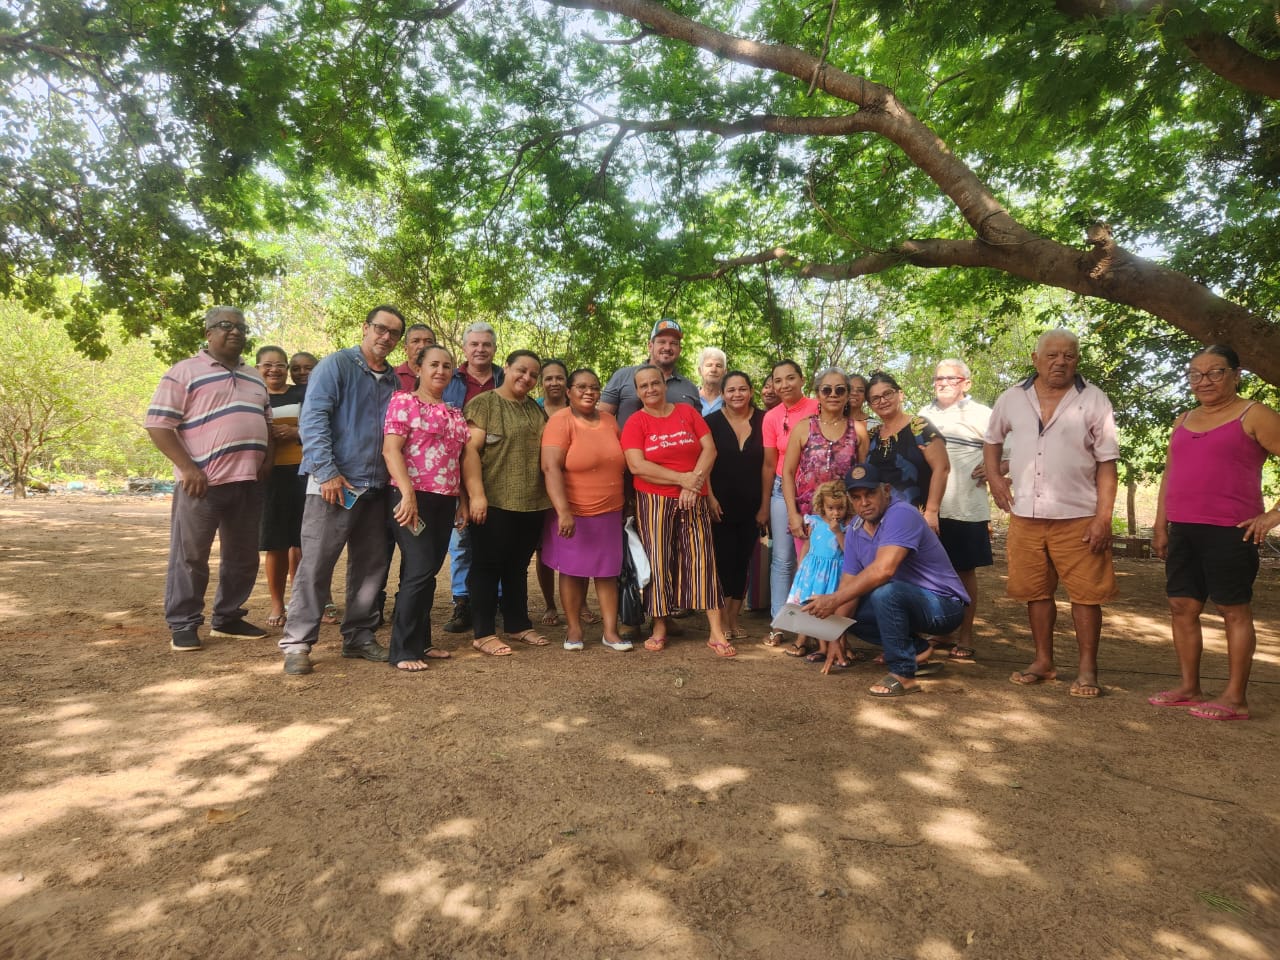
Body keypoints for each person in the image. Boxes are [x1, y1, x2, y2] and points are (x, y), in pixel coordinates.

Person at [984, 328, 1118, 699]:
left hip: (1079, 516)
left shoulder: (1094, 399)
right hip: (1026, 515)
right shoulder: (1012, 397)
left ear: (1077, 360)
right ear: (1035, 359)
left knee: (1086, 595)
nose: (1060, 362)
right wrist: (995, 477)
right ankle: (1043, 661)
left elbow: (1108, 462)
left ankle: (1087, 670)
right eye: (1052, 355)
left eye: (1069, 356)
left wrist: (1103, 517)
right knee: (1036, 591)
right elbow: (992, 440)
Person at [1148, 344, 1280, 721]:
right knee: (1182, 606)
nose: (1203, 381)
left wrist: (1274, 515)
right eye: (1195, 374)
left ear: (1236, 375)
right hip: (1183, 529)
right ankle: (1189, 687)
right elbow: (1170, 475)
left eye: (1215, 372)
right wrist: (1161, 525)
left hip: (1231, 530)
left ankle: (1235, 698)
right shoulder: (1183, 419)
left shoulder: (1254, 415)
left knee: (1232, 610)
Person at [277, 305, 404, 675]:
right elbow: (313, 418)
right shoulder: (336, 366)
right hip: (332, 485)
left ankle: (359, 636)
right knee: (316, 565)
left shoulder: (394, 380)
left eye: (394, 333)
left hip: (375, 488)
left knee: (370, 567)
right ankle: (298, 643)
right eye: (380, 328)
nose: (386, 337)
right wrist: (327, 471)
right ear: (365, 327)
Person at [145, 306, 273, 651]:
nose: (235, 332)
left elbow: (267, 423)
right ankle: (184, 623)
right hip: (203, 484)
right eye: (226, 326)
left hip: (248, 483)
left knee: (243, 556)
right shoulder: (184, 372)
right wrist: (188, 468)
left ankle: (228, 618)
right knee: (191, 555)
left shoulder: (254, 376)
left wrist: (267, 460)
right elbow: (158, 425)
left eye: (241, 327)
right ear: (208, 333)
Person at [804, 464, 969, 696]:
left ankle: (903, 674)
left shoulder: (902, 513)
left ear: (887, 490)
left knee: (884, 593)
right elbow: (849, 584)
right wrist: (835, 635)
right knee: (847, 609)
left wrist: (833, 600)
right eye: (856, 497)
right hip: (902, 599)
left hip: (943, 606)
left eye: (870, 493)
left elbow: (884, 570)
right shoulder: (854, 530)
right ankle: (915, 650)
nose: (864, 502)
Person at [621, 365, 736, 657]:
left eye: (655, 383)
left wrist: (693, 483)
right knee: (658, 559)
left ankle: (716, 631)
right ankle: (659, 626)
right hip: (654, 499)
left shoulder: (687, 413)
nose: (650, 389)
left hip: (693, 497)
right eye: (644, 386)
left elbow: (709, 450)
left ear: (664, 385)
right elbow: (637, 465)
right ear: (637, 391)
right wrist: (681, 479)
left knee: (702, 558)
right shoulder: (636, 422)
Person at [382, 344, 477, 672]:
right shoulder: (404, 402)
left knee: (425, 572)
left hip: (445, 500)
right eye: (434, 364)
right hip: (411, 497)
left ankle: (421, 641)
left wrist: (462, 501)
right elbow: (391, 450)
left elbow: (456, 459)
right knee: (420, 569)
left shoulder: (454, 413)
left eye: (447, 366)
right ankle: (402, 650)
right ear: (418, 368)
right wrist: (407, 494)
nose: (440, 371)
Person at [463, 350, 552, 656]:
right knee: (486, 566)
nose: (527, 378)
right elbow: (470, 452)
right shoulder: (484, 404)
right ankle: (483, 632)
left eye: (533, 375)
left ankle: (517, 624)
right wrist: (476, 495)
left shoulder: (535, 410)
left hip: (532, 502)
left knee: (517, 566)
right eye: (521, 370)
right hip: (493, 500)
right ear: (506, 368)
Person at [541, 368, 632, 652]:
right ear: (569, 392)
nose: (589, 392)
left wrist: (628, 502)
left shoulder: (608, 420)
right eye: (582, 387)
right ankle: (574, 629)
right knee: (572, 571)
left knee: (607, 572)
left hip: (610, 511)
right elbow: (550, 468)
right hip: (573, 512)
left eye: (594, 387)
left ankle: (610, 632)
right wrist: (563, 511)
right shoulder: (560, 421)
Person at [780, 367, 869, 656]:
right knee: (808, 574)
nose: (833, 395)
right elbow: (788, 473)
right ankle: (803, 637)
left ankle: (837, 640)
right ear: (817, 393)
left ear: (848, 394)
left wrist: (859, 518)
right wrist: (793, 514)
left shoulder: (858, 431)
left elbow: (863, 478)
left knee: (842, 578)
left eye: (840, 389)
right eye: (826, 389)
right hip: (809, 518)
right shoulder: (804, 427)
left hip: (846, 521)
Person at [918, 359, 994, 660]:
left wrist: (998, 466)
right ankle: (941, 631)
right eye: (939, 378)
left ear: (967, 383)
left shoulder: (983, 414)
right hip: (928, 509)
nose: (944, 383)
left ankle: (965, 635)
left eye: (952, 378)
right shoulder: (923, 415)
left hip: (965, 506)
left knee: (963, 571)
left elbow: (1011, 448)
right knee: (931, 571)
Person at [441, 322, 504, 634]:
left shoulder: (505, 378)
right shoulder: (449, 379)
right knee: (462, 537)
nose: (480, 349)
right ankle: (463, 601)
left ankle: (497, 600)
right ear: (464, 348)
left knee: (498, 537)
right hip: (456, 468)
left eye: (486, 344)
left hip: (499, 467)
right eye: (474, 344)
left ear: (494, 348)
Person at [760, 359, 819, 644]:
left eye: (790, 378)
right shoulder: (771, 417)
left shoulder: (818, 407)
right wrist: (764, 503)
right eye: (778, 380)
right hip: (782, 490)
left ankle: (814, 626)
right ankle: (779, 622)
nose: (784, 385)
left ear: (802, 379)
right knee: (782, 559)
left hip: (818, 493)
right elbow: (769, 465)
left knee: (814, 558)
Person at [705, 370, 766, 642]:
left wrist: (765, 506)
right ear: (722, 394)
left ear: (751, 391)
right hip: (719, 504)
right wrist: (709, 497)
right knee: (722, 560)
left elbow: (769, 466)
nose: (737, 394)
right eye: (731, 390)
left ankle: (733, 617)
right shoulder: (710, 422)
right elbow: (704, 462)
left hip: (753, 504)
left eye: (742, 389)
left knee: (742, 561)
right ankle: (720, 619)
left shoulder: (765, 420)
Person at [256, 345, 306, 628]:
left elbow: (319, 425)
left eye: (280, 365)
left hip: (302, 473)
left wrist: (295, 432)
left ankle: (299, 601)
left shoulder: (301, 394)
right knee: (275, 543)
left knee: (302, 542)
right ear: (257, 368)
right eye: (267, 365)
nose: (274, 370)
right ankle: (277, 603)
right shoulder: (253, 395)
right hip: (269, 476)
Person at [863, 372, 950, 531]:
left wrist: (931, 511)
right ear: (870, 405)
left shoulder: (919, 426)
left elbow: (942, 468)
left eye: (887, 394)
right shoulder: (872, 435)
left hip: (916, 517)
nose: (882, 401)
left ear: (900, 394)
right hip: (879, 521)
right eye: (875, 398)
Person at [786, 480, 853, 668]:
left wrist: (838, 532)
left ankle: (841, 646)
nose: (835, 513)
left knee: (834, 612)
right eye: (831, 508)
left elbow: (848, 551)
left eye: (840, 508)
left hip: (834, 574)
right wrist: (801, 567)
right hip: (812, 573)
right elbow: (807, 545)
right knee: (812, 608)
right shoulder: (814, 521)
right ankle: (822, 647)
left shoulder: (847, 527)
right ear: (822, 505)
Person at [534, 358, 581, 625]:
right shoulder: (532, 409)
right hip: (539, 489)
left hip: (575, 489)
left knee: (577, 546)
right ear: (541, 383)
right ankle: (550, 604)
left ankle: (581, 604)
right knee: (544, 549)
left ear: (567, 383)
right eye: (549, 378)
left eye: (559, 378)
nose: (554, 382)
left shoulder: (579, 409)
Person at [599, 318, 701, 427]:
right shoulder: (623, 376)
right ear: (650, 346)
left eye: (673, 343)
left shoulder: (690, 389)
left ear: (680, 350)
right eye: (662, 342)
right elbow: (600, 420)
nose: (667, 347)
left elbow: (698, 428)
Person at [393, 323, 437, 392]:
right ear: (406, 349)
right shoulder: (392, 375)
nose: (422, 346)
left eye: (428, 341)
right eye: (415, 341)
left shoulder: (443, 376)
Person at [697, 347, 727, 416]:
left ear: (725, 372)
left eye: (718, 366)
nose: (713, 370)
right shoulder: (692, 398)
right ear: (700, 370)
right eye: (709, 365)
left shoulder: (730, 400)